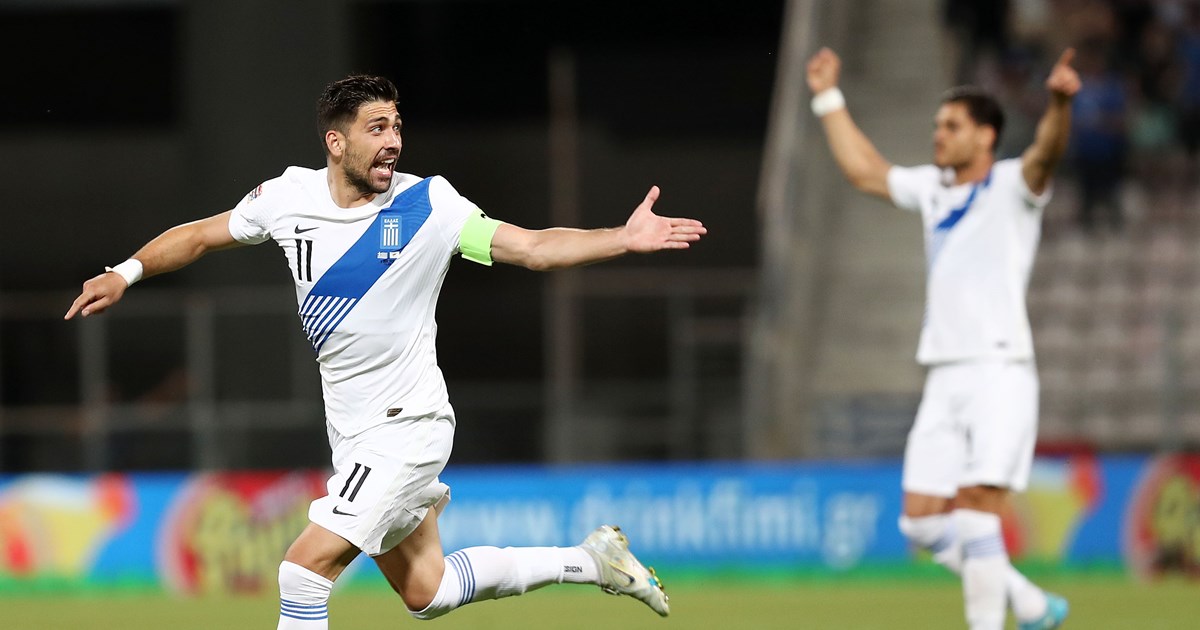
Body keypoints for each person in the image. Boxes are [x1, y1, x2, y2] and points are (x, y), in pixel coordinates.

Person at [65, 75, 704, 627]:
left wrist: (621, 238)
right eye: (377, 128)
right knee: (428, 591)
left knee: (301, 572)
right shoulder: (287, 197)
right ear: (335, 142)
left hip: (408, 427)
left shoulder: (430, 206)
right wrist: (126, 272)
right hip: (353, 434)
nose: (393, 140)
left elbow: (532, 247)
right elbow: (202, 235)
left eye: (397, 126)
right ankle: (592, 561)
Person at [805, 48, 1079, 630]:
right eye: (936, 125)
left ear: (986, 136)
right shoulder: (932, 188)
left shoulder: (1012, 185)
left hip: (999, 370)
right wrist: (827, 96)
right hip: (944, 371)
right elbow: (865, 171)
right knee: (923, 522)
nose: (938, 135)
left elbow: (1046, 154)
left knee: (978, 512)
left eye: (951, 126)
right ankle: (1030, 603)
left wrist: (1058, 105)